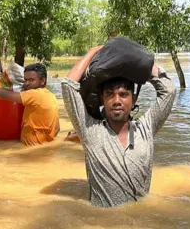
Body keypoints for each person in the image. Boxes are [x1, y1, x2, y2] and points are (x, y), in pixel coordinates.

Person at [61, 45, 176, 207]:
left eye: (123, 95)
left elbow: (168, 91)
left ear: (133, 100)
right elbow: (68, 86)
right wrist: (93, 51)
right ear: (102, 100)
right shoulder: (89, 131)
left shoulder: (146, 128)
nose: (116, 101)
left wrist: (138, 60)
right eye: (109, 95)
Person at [0, 63, 60, 146]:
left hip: (30, 147)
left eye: (31, 80)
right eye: (25, 80)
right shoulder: (52, 97)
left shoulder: (33, 94)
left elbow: (5, 95)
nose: (26, 83)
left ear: (43, 80)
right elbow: (57, 128)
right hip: (43, 145)